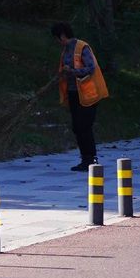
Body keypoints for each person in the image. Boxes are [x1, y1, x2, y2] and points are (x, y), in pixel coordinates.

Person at [52, 21, 108, 170]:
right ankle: (85, 159)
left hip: (89, 95)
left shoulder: (82, 47)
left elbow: (90, 68)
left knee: (85, 126)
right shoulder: (65, 51)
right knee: (77, 127)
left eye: (57, 38)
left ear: (63, 35)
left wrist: (73, 72)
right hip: (74, 94)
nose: (57, 42)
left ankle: (91, 159)